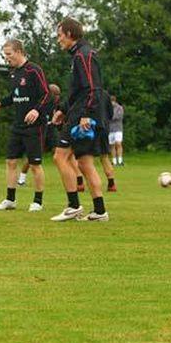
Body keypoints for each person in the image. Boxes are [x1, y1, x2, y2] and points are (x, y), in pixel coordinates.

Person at [50, 18, 109, 222]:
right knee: (84, 162)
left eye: (59, 35)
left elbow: (92, 88)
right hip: (81, 112)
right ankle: (100, 211)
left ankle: (74, 205)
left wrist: (85, 114)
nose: (58, 40)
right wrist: (62, 110)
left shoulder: (83, 55)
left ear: (68, 34)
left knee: (60, 156)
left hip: (84, 115)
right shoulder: (79, 55)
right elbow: (77, 92)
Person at [0, 39, 50, 212]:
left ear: (19, 51)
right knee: (10, 161)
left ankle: (38, 201)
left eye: (9, 54)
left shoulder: (34, 70)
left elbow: (47, 94)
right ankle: (10, 199)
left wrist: (37, 110)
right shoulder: (13, 73)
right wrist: (1, 103)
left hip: (34, 127)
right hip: (17, 125)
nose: (6, 58)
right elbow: (14, 95)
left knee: (34, 164)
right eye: (5, 55)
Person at [108, 94, 125, 166]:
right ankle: (114, 161)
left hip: (118, 129)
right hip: (110, 129)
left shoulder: (119, 108)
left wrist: (111, 117)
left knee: (118, 144)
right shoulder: (107, 108)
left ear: (115, 101)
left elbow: (118, 116)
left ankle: (120, 161)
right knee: (112, 145)